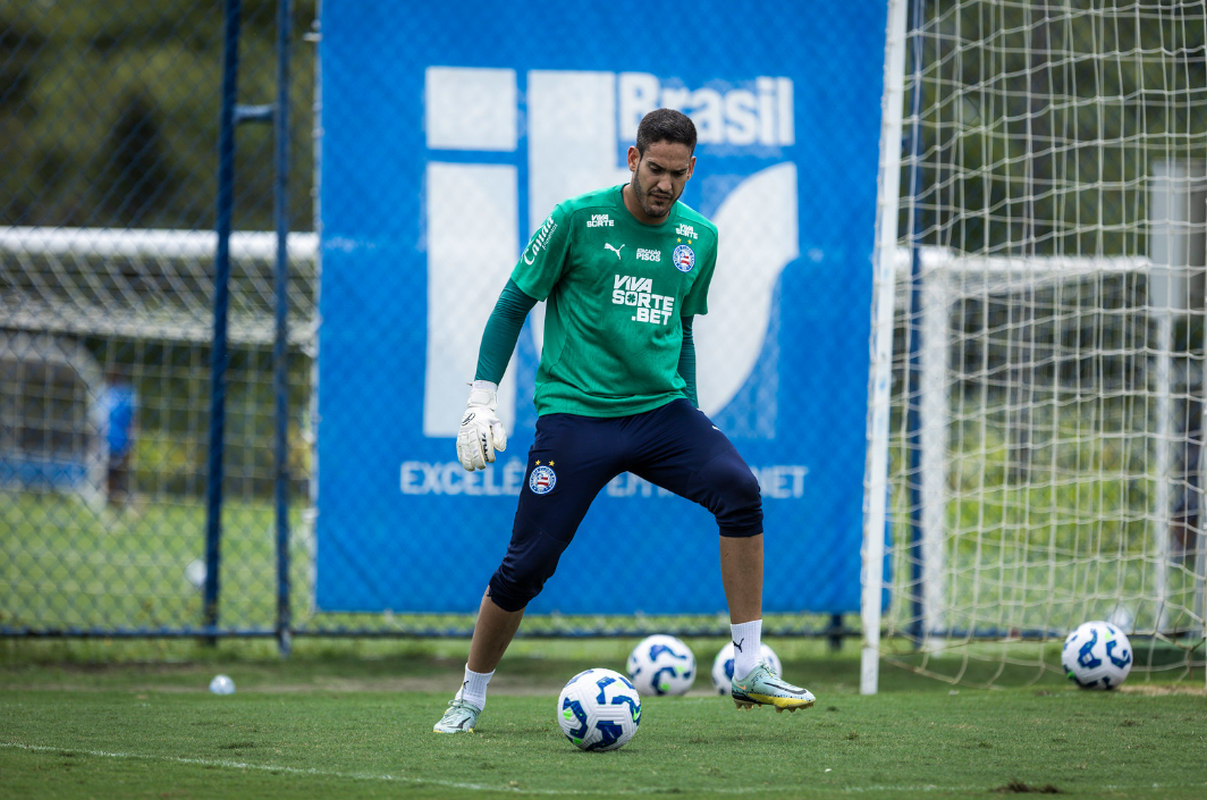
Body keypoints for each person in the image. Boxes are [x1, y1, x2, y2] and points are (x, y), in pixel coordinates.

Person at [434, 108, 815, 734]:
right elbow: (512, 304)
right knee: (527, 565)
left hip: (661, 412)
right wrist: (481, 400)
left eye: (678, 173)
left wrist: (691, 408)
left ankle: (748, 667)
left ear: (692, 170)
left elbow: (682, 329)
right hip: (576, 416)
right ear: (634, 159)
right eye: (655, 169)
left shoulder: (700, 238)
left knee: (740, 490)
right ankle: (470, 696)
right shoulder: (576, 219)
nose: (665, 184)